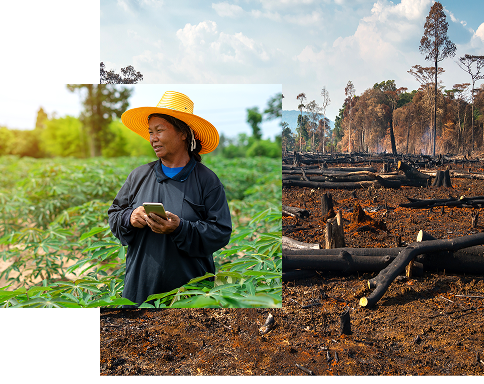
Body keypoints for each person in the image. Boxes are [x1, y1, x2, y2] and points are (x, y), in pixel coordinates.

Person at [108, 91, 232, 308]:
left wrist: (180, 228)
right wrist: (130, 217)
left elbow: (220, 232)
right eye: (150, 132)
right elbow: (115, 214)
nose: (153, 138)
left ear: (183, 133)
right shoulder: (139, 175)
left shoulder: (207, 181)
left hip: (190, 295)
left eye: (159, 131)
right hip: (140, 291)